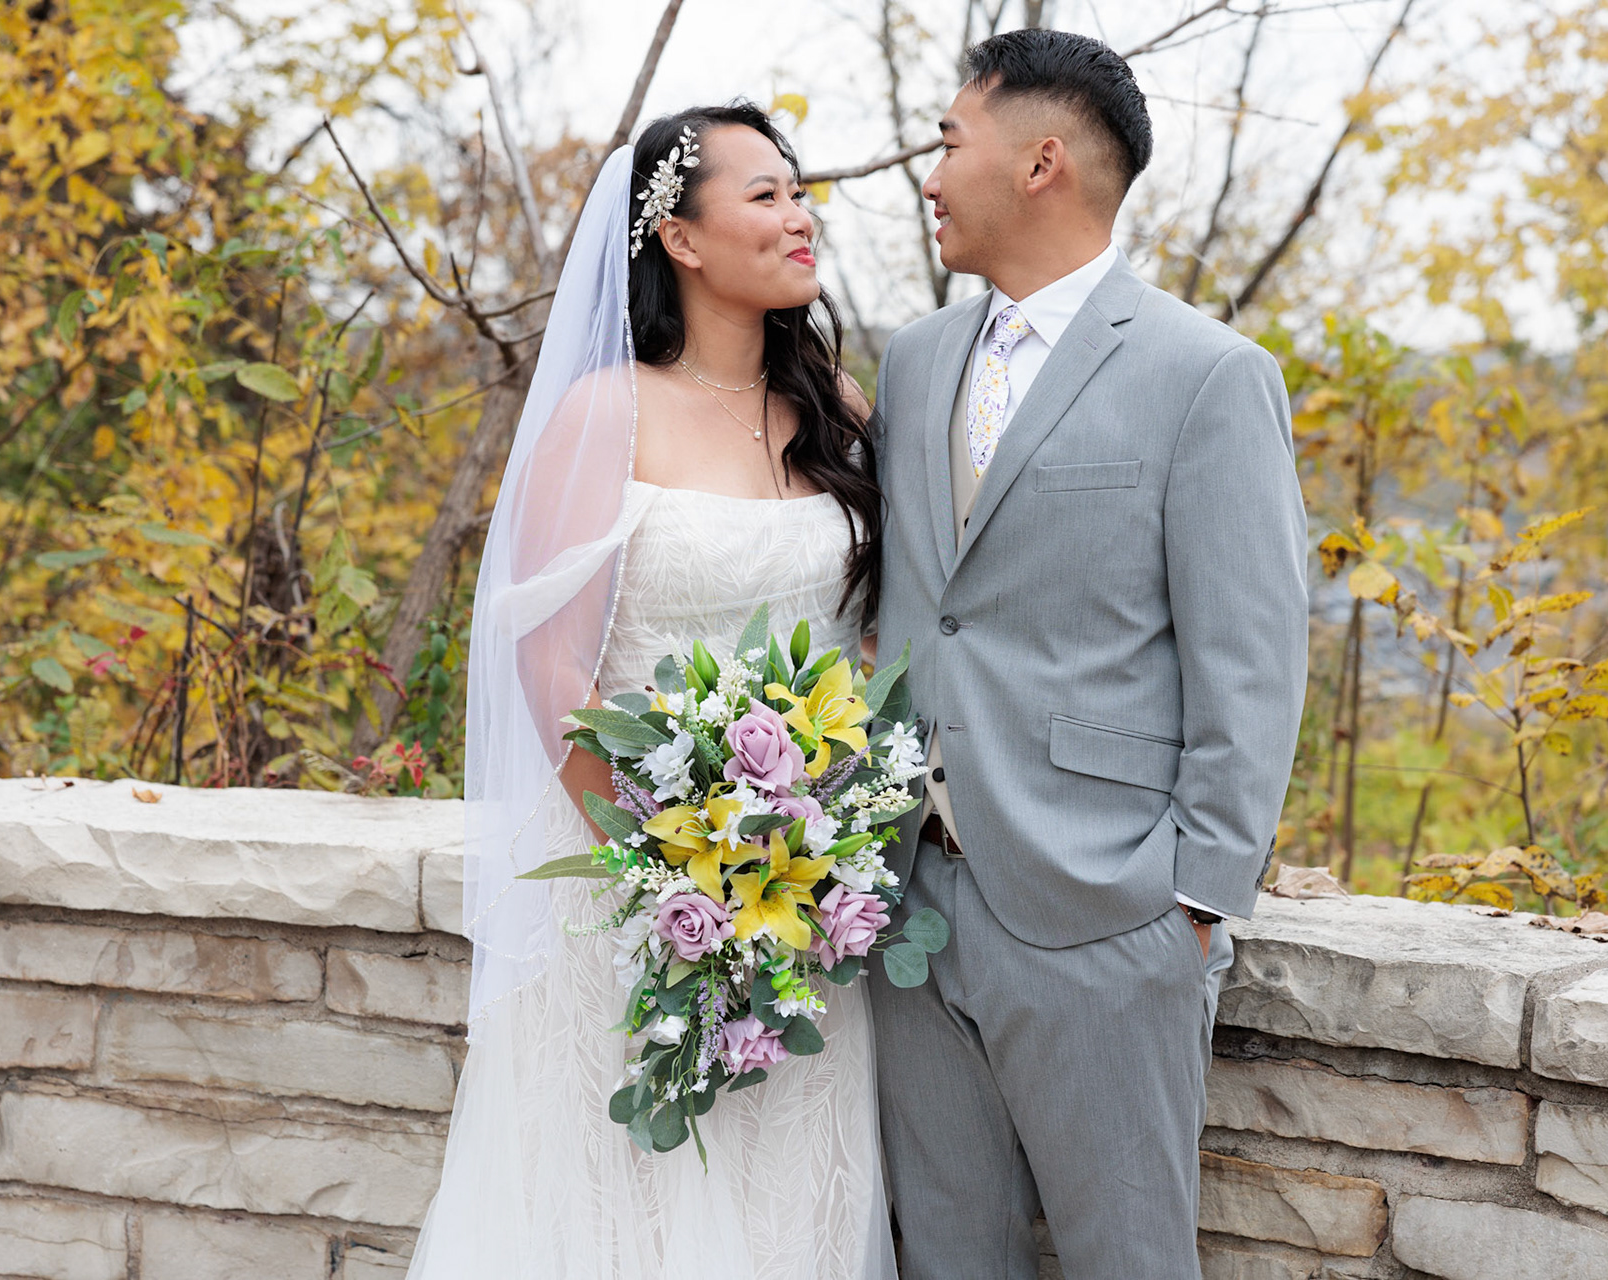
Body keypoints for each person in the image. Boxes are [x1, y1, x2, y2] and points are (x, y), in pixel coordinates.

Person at [406, 102, 895, 1280]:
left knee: (790, 1210)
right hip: (629, 898)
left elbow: (883, 636)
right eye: (766, 195)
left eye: (799, 191)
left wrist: (813, 855)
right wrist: (673, 878)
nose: (800, 215)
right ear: (680, 236)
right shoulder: (605, 411)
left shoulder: (837, 407)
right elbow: (552, 669)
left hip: (805, 905)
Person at [871, 29, 1309, 1279]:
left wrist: (1192, 905)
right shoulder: (914, 361)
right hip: (911, 903)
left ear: (1041, 161)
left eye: (950, 142)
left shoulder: (1207, 374)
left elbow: (1253, 654)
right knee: (946, 1258)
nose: (930, 176)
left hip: (1109, 915)